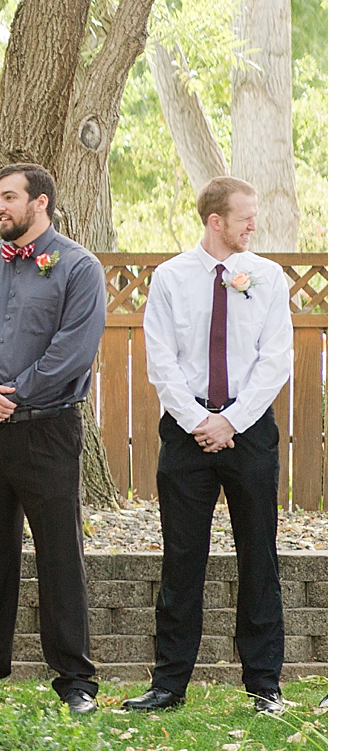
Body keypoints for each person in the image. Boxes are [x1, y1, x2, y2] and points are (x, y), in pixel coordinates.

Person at [0, 164, 106, 715]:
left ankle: (76, 680)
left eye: (9, 197)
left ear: (41, 203)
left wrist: (5, 400)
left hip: (47, 432)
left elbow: (72, 351)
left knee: (60, 554)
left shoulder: (79, 268)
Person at [126, 177, 294, 716]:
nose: (253, 225)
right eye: (245, 216)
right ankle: (168, 684)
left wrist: (233, 423)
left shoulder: (267, 278)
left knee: (258, 556)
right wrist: (201, 420)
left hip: (250, 432)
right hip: (186, 432)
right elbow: (162, 361)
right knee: (181, 558)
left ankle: (264, 684)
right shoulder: (172, 278)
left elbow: (276, 360)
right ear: (214, 221)